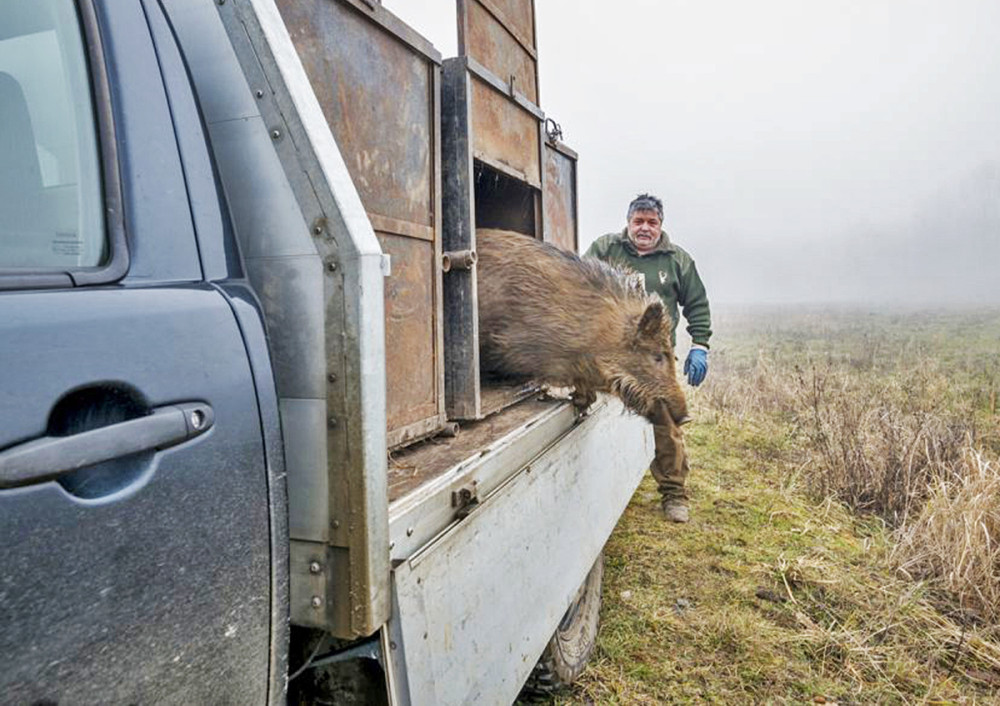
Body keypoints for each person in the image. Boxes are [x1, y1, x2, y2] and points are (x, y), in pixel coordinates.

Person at [585, 193, 712, 523]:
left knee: (665, 422)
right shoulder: (605, 250)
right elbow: (580, 287)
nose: (644, 228)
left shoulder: (677, 261)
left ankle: (674, 494)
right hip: (608, 356)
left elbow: (696, 303)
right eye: (638, 221)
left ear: (660, 226)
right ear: (628, 223)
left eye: (651, 222)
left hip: (653, 363)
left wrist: (701, 345)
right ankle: (597, 487)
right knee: (589, 418)